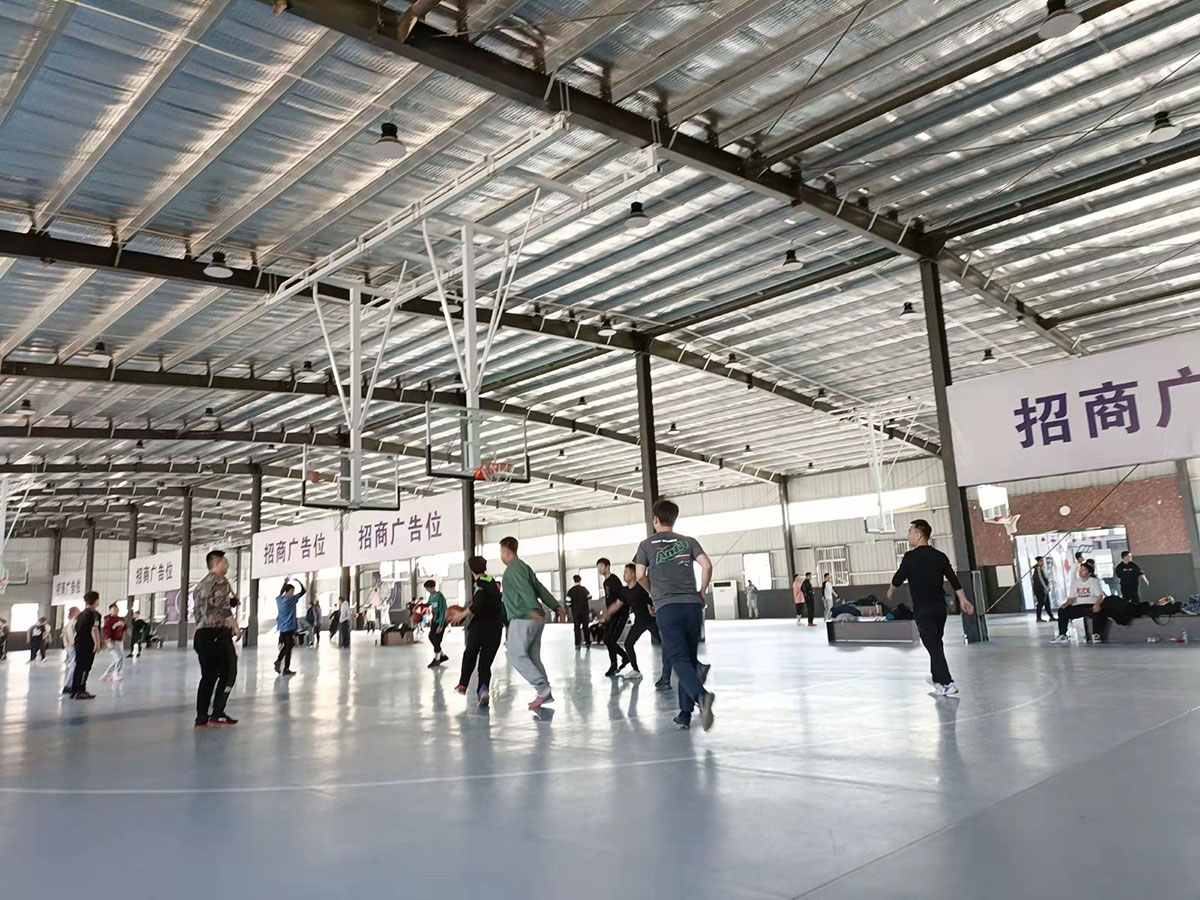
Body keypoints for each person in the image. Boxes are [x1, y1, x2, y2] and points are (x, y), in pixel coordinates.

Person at [635, 498, 716, 731]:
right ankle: (684, 714)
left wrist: (653, 593)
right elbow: (707, 565)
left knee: (678, 659)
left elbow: (639, 575)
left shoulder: (646, 545)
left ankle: (702, 696)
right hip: (692, 606)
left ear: (655, 519)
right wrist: (702, 590)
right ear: (674, 519)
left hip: (667, 608)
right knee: (688, 659)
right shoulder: (689, 541)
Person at [888, 519, 975, 697]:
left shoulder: (910, 557)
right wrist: (963, 600)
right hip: (940, 609)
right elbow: (953, 579)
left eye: (910, 532)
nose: (908, 535)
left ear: (919, 535)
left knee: (933, 647)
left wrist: (890, 591)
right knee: (936, 643)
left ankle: (948, 683)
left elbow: (898, 578)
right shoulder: (940, 556)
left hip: (923, 610)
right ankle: (938, 681)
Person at [499, 536, 562, 710]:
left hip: (524, 617)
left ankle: (542, 688)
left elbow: (525, 590)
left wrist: (531, 608)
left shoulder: (513, 569)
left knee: (515, 655)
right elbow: (539, 588)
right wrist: (555, 606)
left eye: (501, 553)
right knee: (533, 657)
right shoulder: (524, 567)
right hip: (536, 617)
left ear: (506, 552)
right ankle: (545, 693)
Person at [193, 549, 241, 727]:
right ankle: (218, 712)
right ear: (218, 563)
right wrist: (235, 626)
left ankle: (201, 717)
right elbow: (223, 608)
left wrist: (231, 602)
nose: (228, 566)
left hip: (201, 635)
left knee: (208, 677)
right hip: (217, 635)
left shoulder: (200, 586)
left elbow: (204, 609)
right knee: (229, 672)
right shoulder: (221, 581)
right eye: (225, 562)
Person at [452, 555, 504, 707]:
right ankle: (483, 690)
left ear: (470, 569)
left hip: (480, 627)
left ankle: (463, 685)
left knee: (470, 654)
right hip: (496, 628)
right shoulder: (492, 582)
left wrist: (462, 614)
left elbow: (479, 603)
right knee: (485, 664)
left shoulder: (480, 584)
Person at [600, 563, 654, 679]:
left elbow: (652, 599)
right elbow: (617, 604)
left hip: (651, 620)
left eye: (626, 572)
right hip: (640, 621)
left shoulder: (642, 587)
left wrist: (653, 608)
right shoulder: (625, 591)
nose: (624, 575)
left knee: (665, 643)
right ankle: (636, 670)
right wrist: (607, 613)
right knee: (628, 644)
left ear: (633, 574)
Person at [1052, 561, 1108, 644]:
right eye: (1080, 569)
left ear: (1089, 573)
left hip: (1091, 605)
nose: (1081, 571)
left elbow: (1100, 596)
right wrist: (1066, 604)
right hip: (1080, 606)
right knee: (1062, 611)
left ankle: (1096, 634)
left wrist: (1097, 604)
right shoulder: (1075, 583)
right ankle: (1063, 635)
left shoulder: (1094, 581)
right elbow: (1071, 598)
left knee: (1098, 612)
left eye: (1084, 570)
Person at [597, 558, 630, 677]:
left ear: (607, 567)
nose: (599, 569)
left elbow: (620, 600)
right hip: (612, 615)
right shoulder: (605, 582)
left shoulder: (614, 580)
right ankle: (624, 657)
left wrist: (612, 612)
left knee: (611, 640)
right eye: (598, 567)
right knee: (607, 640)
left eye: (601, 566)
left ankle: (614, 665)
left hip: (620, 615)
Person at [69, 592, 102, 699]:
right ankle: (81, 690)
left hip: (79, 643)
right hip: (88, 644)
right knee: (85, 668)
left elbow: (76, 628)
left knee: (78, 667)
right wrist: (97, 643)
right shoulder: (95, 614)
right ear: (96, 601)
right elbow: (94, 629)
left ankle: (74, 691)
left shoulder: (81, 614)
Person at [274, 579, 304, 675]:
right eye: (292, 590)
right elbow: (304, 591)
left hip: (282, 628)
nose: (293, 593)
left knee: (288, 646)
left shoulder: (279, 600)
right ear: (289, 590)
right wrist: (299, 581)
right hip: (290, 628)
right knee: (288, 649)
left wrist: (285, 583)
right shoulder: (292, 599)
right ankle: (286, 668)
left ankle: (278, 661)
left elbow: (281, 592)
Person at [425, 579, 448, 668]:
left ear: (432, 588)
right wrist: (419, 606)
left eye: (428, 589)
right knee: (431, 637)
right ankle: (442, 655)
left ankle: (437, 659)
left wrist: (441, 625)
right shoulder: (431, 596)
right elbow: (428, 604)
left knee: (437, 639)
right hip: (434, 620)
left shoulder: (440, 597)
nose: (427, 590)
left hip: (441, 621)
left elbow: (443, 611)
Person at [99, 604, 126, 682]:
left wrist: (125, 634)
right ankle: (116, 673)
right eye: (114, 609)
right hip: (112, 641)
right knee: (119, 657)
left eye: (117, 609)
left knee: (115, 660)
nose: (116, 610)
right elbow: (106, 630)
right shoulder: (108, 620)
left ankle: (106, 675)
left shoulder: (121, 619)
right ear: (110, 610)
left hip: (119, 641)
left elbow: (124, 628)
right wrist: (108, 640)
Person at [567, 575, 592, 649]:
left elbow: (568, 602)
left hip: (575, 612)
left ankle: (577, 643)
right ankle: (587, 642)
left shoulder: (571, 591)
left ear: (574, 581)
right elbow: (590, 596)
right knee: (586, 627)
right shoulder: (584, 589)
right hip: (584, 611)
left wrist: (573, 606)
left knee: (576, 628)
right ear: (580, 580)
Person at [61, 607, 79, 694]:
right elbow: (74, 636)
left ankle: (70, 685)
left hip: (68, 647)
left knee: (74, 665)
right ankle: (68, 685)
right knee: (74, 666)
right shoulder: (74, 623)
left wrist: (66, 645)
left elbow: (63, 636)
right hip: (73, 646)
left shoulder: (67, 624)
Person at [1031, 556, 1054, 622]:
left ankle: (1051, 616)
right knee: (1040, 603)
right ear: (1038, 562)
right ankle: (1038, 618)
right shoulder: (1038, 569)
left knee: (1047, 603)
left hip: (1043, 589)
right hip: (1040, 589)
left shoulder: (1041, 568)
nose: (1043, 562)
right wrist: (1045, 587)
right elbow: (1040, 579)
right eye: (1041, 561)